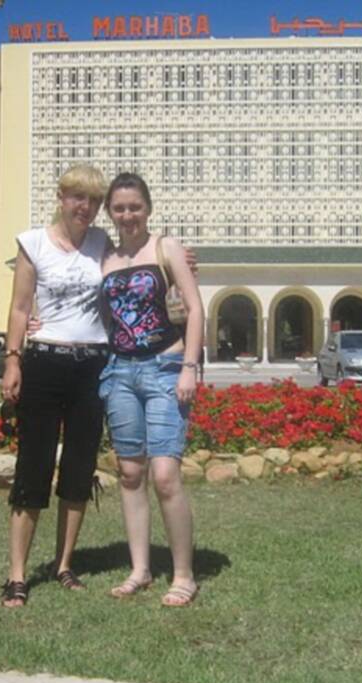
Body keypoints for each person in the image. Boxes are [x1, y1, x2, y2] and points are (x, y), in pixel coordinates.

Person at [0, 164, 111, 608]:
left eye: (94, 200)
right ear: (62, 197)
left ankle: (64, 565)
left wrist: (180, 261)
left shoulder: (102, 244)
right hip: (45, 362)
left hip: (93, 366)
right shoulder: (34, 243)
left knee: (80, 467)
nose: (86, 207)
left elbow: (137, 263)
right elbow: (19, 307)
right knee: (34, 465)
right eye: (78, 197)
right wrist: (13, 360)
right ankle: (17, 575)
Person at [98, 172, 205, 607]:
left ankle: (184, 575)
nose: (128, 215)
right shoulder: (105, 256)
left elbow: (195, 308)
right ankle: (140, 569)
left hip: (165, 368)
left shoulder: (166, 247)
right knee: (130, 473)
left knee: (164, 475)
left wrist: (189, 368)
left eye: (135, 207)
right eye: (119, 208)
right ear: (110, 213)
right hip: (120, 372)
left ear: (148, 208)